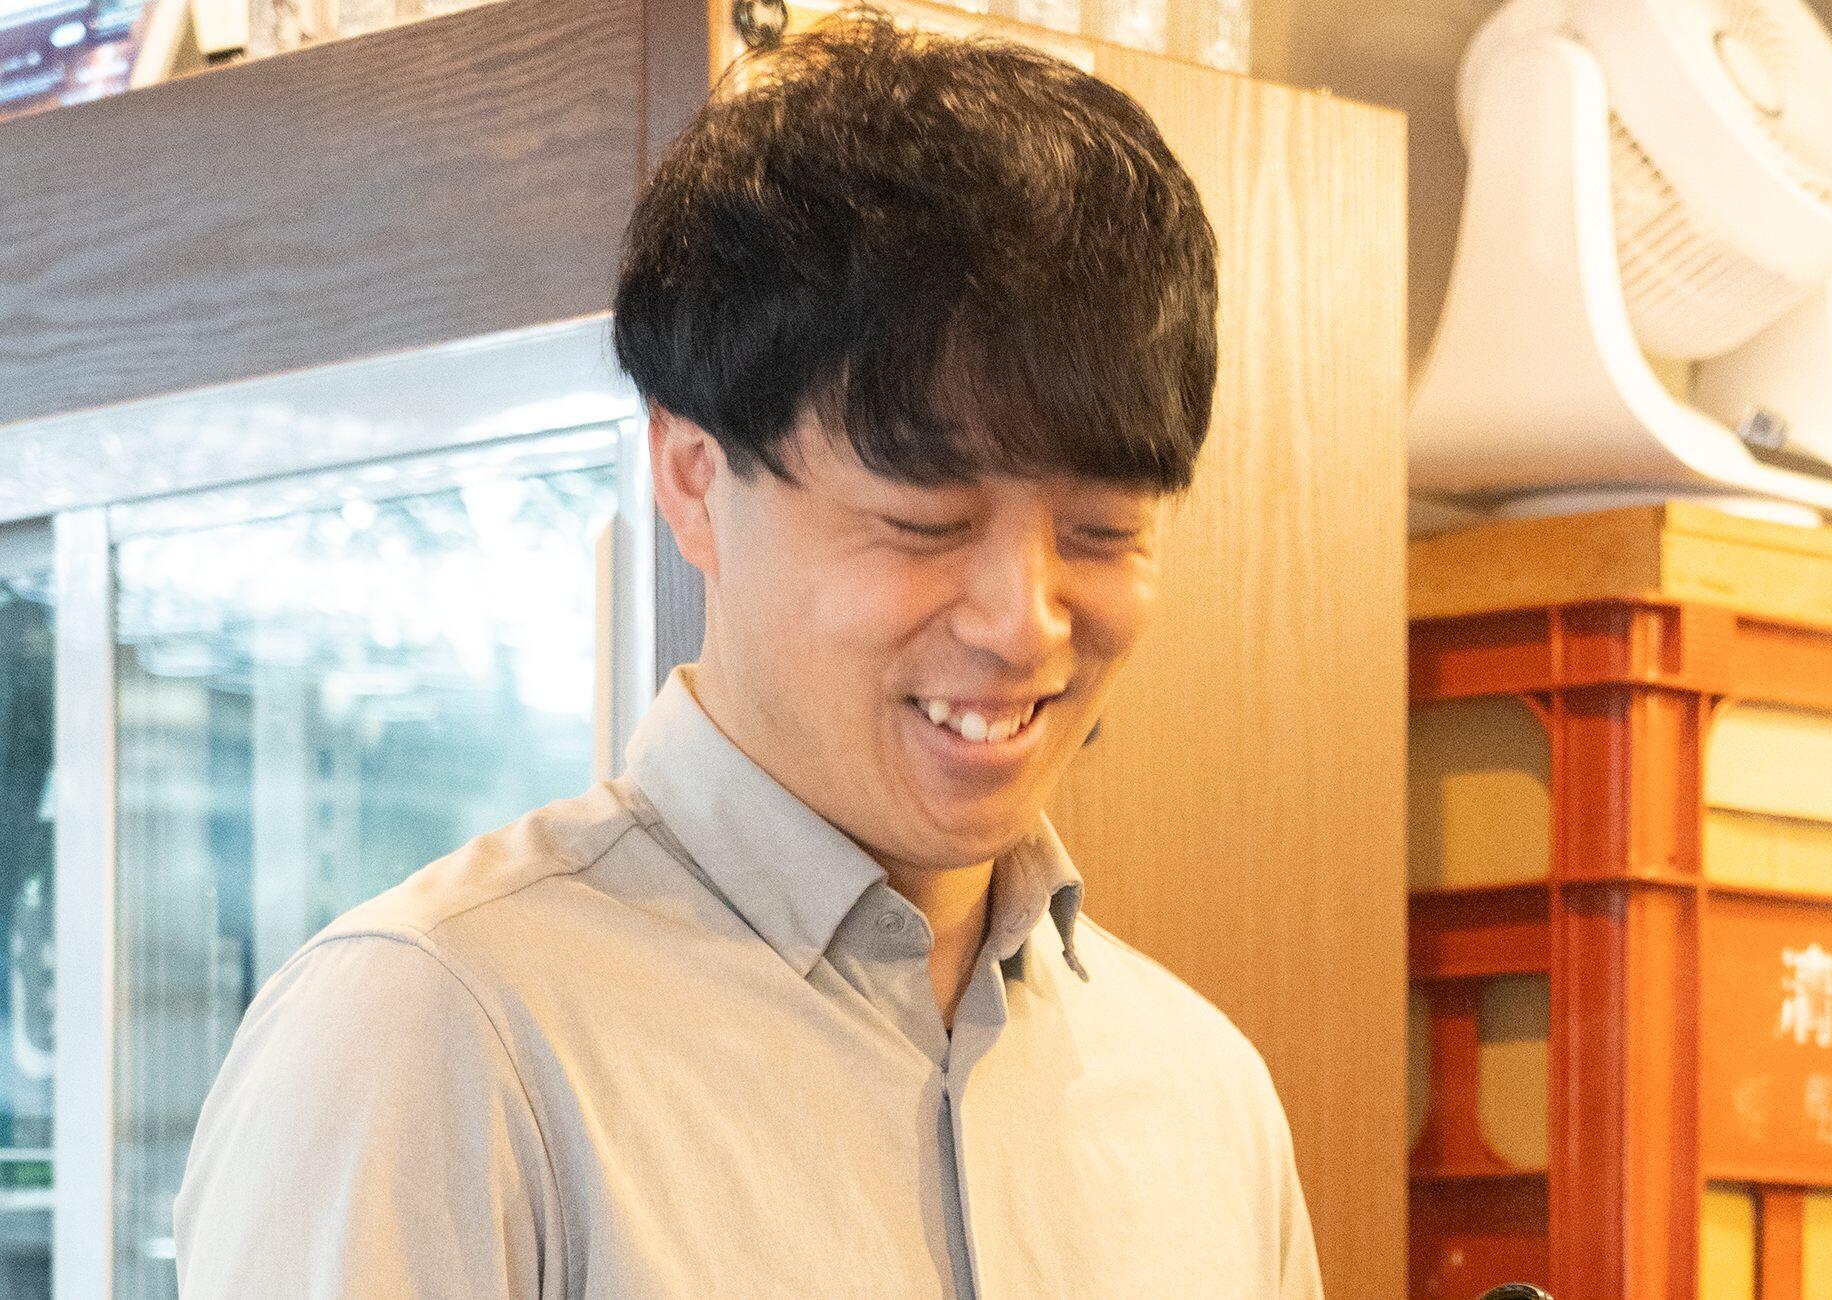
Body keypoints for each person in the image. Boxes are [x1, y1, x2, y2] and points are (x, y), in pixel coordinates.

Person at [171, 10, 1323, 1297]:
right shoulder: (437, 1037)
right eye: (923, 521)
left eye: (1103, 530)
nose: (1025, 621)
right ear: (691, 476)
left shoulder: (1204, 1096)